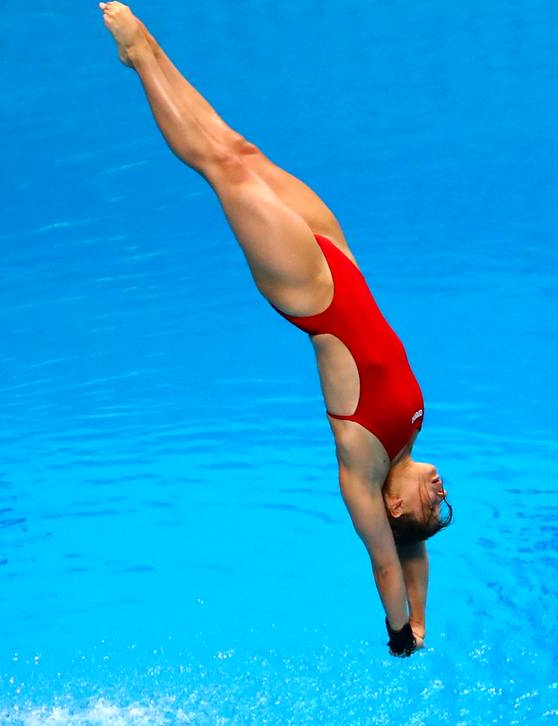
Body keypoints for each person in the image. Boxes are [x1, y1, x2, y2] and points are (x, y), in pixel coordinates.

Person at [98, 2, 451, 657]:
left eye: (430, 504)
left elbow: (387, 563)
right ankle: (144, 55)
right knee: (241, 150)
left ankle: (142, 57)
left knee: (222, 169)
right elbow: (416, 555)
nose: (441, 490)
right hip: (340, 256)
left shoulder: (363, 466)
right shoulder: (410, 435)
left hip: (311, 294)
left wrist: (402, 634)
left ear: (394, 509)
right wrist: (426, 613)